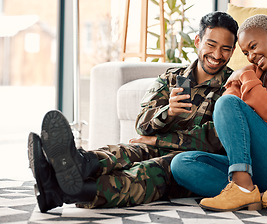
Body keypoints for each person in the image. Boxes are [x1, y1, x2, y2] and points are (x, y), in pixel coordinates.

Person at [27, 11, 239, 213]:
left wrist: (157, 141)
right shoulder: (172, 78)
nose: (217, 55)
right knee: (122, 152)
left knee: (145, 172)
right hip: (156, 146)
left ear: (233, 50)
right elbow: (142, 124)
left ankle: (58, 188)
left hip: (192, 161)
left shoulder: (233, 86)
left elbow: (214, 140)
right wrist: (168, 113)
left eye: (226, 49)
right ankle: (73, 166)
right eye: (211, 44)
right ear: (197, 41)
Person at [171, 14, 267, 212]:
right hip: (251, 168)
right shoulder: (250, 74)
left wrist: (245, 74)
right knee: (181, 164)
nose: (250, 57)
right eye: (245, 52)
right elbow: (229, 111)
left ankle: (242, 187)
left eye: (253, 47)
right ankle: (259, 195)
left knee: (226, 103)